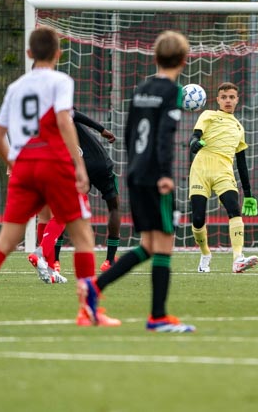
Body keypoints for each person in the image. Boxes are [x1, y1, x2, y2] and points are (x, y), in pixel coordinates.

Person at [0, 26, 118, 326]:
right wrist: (79, 167)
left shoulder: (15, 88)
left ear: (29, 53)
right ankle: (89, 310)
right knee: (83, 236)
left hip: (25, 165)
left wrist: (15, 166)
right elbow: (63, 120)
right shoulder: (60, 81)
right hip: (54, 164)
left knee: (5, 241)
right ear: (58, 53)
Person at [77, 30, 195, 332]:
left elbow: (130, 133)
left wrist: (134, 168)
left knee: (149, 245)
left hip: (136, 173)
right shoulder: (173, 91)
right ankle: (157, 317)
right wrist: (166, 175)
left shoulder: (141, 88)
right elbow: (166, 136)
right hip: (157, 176)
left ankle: (95, 287)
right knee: (164, 244)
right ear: (184, 60)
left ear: (154, 57)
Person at [27, 109, 122, 283]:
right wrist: (102, 129)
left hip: (70, 168)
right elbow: (76, 114)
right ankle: (108, 261)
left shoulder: (39, 120)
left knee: (59, 213)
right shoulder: (58, 106)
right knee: (111, 208)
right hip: (98, 162)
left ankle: (52, 262)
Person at [188, 82, 258, 273]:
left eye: (231, 97)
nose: (228, 100)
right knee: (197, 218)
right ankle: (205, 254)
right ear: (218, 99)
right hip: (201, 169)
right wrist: (194, 143)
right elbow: (195, 137)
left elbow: (242, 163)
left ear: (237, 100)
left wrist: (249, 193)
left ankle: (238, 258)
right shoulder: (208, 115)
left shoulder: (239, 127)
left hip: (224, 172)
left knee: (234, 209)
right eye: (224, 97)